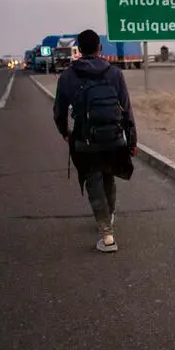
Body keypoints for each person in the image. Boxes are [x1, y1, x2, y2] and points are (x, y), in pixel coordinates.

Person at [53, 29, 138, 253]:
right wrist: (132, 140)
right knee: (109, 175)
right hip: (113, 138)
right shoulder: (115, 73)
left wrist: (65, 132)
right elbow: (127, 110)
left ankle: (107, 233)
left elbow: (59, 111)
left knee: (93, 180)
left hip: (85, 139)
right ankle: (109, 216)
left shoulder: (68, 76)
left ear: (79, 49)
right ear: (99, 48)